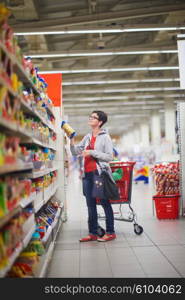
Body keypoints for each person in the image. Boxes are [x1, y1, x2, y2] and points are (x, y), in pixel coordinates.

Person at [70, 110, 116, 242]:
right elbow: (75, 152)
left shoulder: (105, 137)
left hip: (99, 174)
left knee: (104, 203)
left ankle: (111, 232)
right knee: (90, 204)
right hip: (87, 175)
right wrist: (71, 140)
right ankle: (93, 233)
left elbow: (109, 156)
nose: (90, 118)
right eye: (90, 116)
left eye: (93, 117)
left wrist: (92, 152)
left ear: (100, 122)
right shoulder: (87, 137)